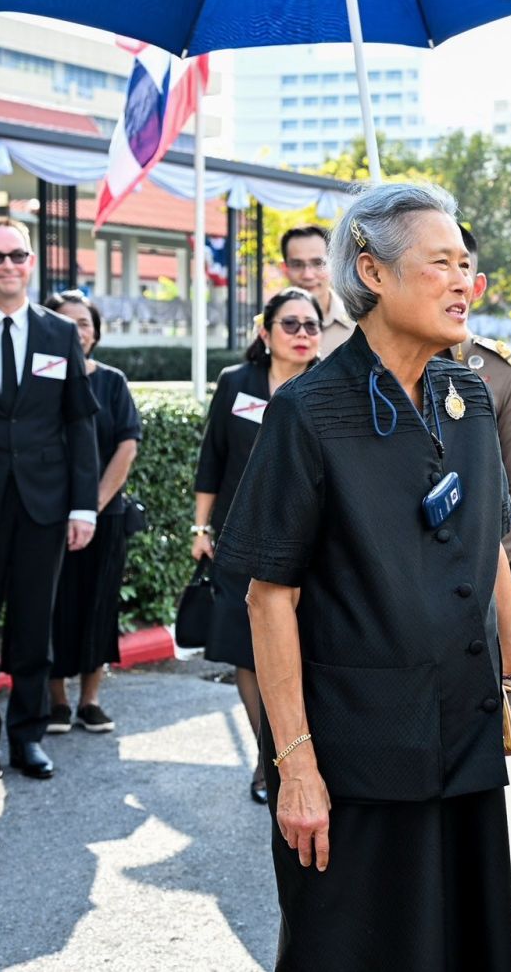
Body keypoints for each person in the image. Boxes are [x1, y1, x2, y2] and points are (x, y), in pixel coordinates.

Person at [211, 181, 511, 972]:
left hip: (461, 736)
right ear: (372, 272)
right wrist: (296, 768)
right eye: (440, 263)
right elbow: (269, 597)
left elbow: (487, 545)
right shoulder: (309, 411)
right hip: (356, 757)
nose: (464, 281)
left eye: (467, 264)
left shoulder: (467, 395)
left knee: (462, 944)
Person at [192, 287, 322, 804]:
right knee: (247, 652)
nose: (302, 334)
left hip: (310, 543)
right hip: (238, 538)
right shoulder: (237, 382)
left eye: (311, 325)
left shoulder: (329, 385)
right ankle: (270, 759)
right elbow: (213, 457)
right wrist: (199, 529)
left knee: (300, 648)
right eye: (290, 324)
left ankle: (298, 751)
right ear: (266, 333)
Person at [0, 215, 98, 780]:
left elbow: (79, 423)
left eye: (17, 255)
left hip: (44, 506)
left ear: (31, 262)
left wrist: (83, 506)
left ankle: (27, 736)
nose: (7, 265)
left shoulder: (58, 333)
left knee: (32, 626)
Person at [45, 291, 140, 736]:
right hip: (44, 515)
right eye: (66, 323)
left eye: (84, 323)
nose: (77, 331)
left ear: (96, 333)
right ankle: (57, 702)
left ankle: (90, 700)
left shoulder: (112, 382)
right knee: (51, 607)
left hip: (105, 516)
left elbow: (127, 446)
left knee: (98, 605)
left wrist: (91, 508)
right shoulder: (39, 378)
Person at [442, 224, 511, 557]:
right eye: (439, 265)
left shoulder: (503, 372)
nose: (453, 283)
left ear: (476, 287)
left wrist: (480, 568)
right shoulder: (378, 364)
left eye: (463, 269)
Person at [280, 225, 354, 355]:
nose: (308, 275)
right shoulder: (267, 325)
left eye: (318, 263)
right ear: (285, 269)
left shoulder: (359, 324)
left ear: (334, 264)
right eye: (297, 264)